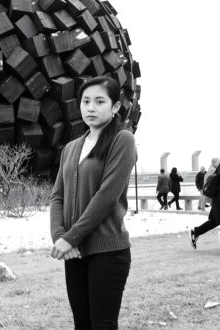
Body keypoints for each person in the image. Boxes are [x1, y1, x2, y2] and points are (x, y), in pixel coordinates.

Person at [49, 76, 135, 329]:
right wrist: (60, 237)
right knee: (82, 325)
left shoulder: (122, 140)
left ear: (115, 107)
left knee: (102, 326)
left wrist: (71, 238)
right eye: (86, 101)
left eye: (99, 101)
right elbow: (57, 196)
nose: (91, 107)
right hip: (74, 252)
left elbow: (107, 196)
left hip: (108, 251)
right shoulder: (71, 147)